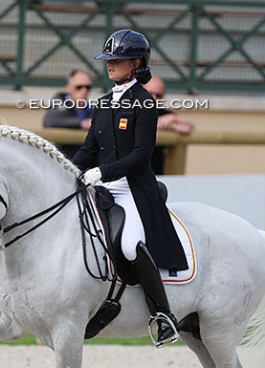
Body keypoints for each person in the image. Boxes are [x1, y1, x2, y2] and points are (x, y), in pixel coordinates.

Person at [73, 29, 188, 347]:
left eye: (118, 60)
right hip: (101, 183)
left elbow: (140, 156)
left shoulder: (144, 103)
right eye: (108, 60)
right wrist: (68, 168)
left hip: (132, 189)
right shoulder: (103, 103)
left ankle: (163, 315)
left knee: (130, 244)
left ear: (136, 63)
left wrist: (102, 171)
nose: (110, 65)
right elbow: (88, 148)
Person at [144, 76, 196, 175]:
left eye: (158, 95)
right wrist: (170, 126)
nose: (153, 98)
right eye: (149, 93)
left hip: (158, 175)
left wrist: (173, 119)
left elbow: (189, 126)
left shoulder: (163, 113)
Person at [43, 68, 93, 158]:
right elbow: (50, 120)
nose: (84, 90)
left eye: (88, 87)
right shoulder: (60, 101)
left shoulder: (92, 109)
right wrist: (81, 123)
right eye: (79, 87)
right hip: (63, 162)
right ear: (69, 87)